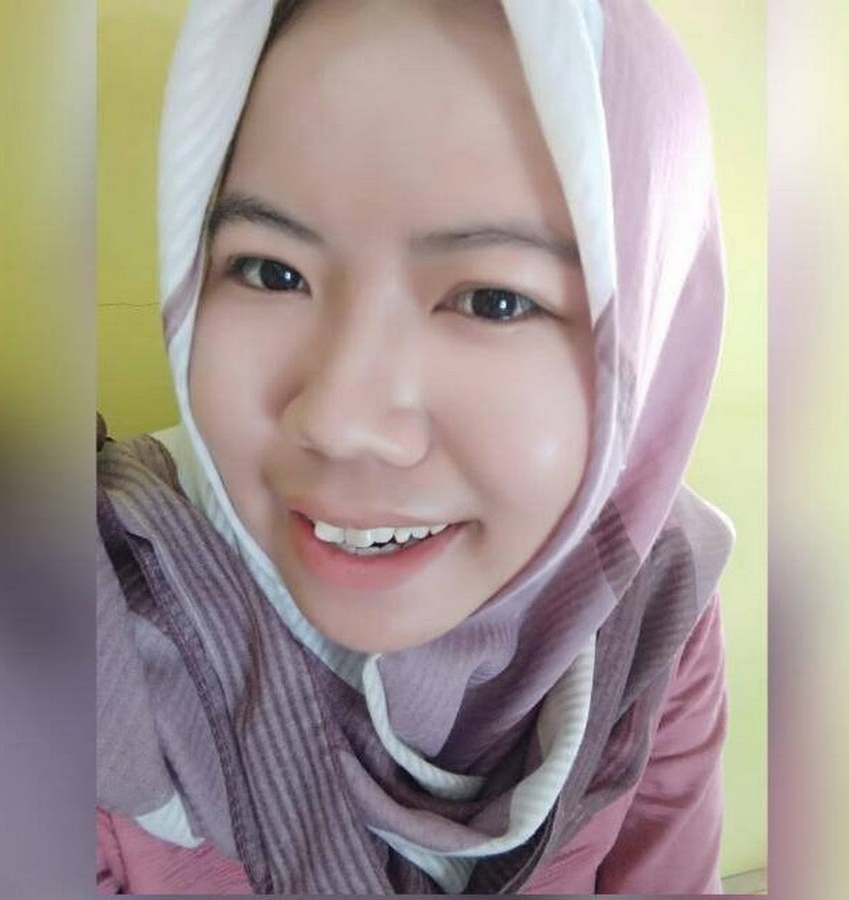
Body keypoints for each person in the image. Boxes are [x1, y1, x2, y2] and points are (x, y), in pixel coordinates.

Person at [96, 0, 734, 893]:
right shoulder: (85, 634)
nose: (339, 421)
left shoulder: (650, 606)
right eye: (272, 271)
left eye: (492, 301)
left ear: (645, 350)